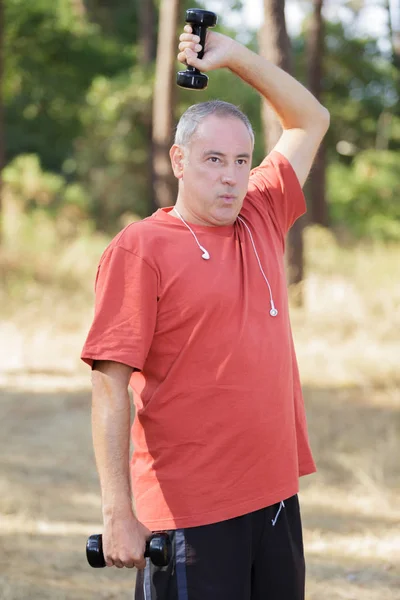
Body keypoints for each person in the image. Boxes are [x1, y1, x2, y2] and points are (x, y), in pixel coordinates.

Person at [81, 21, 329, 600]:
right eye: (213, 159)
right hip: (189, 512)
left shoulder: (262, 212)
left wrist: (236, 56)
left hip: (273, 502)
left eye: (242, 160)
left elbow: (310, 118)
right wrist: (119, 510)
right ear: (179, 160)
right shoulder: (141, 247)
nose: (230, 176)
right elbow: (109, 385)